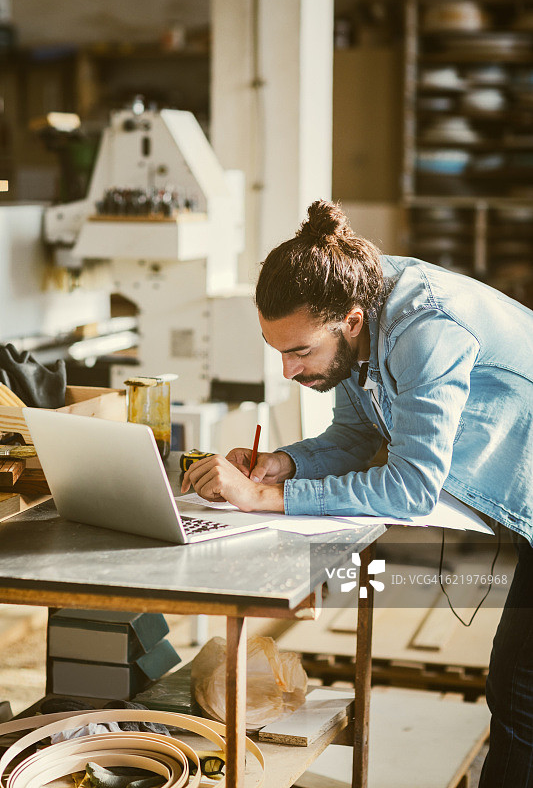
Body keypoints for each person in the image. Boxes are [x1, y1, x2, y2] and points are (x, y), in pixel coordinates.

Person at [182, 199, 533, 787]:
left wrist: (265, 500)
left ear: (348, 320)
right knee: (515, 689)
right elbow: (352, 436)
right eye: (279, 352)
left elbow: (412, 488)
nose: (289, 372)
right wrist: (283, 464)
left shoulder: (425, 330)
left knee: (520, 696)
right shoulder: (360, 313)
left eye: (300, 352)